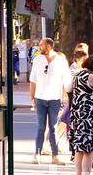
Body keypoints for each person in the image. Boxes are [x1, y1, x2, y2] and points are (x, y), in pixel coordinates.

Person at [29, 37, 70, 165]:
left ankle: (55, 156)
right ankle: (37, 154)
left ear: (49, 47)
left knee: (53, 127)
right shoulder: (37, 60)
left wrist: (64, 95)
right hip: (40, 98)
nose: (39, 47)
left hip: (54, 99)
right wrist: (32, 97)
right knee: (41, 127)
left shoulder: (61, 61)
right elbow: (33, 80)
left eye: (41, 45)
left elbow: (66, 81)